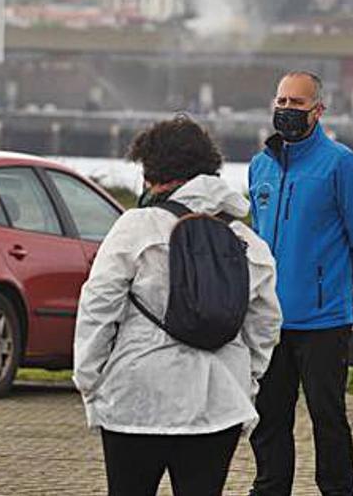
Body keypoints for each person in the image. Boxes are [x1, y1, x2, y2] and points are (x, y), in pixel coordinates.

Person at [73, 116, 282, 496]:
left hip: (135, 402)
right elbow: (265, 323)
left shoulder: (135, 227)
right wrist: (244, 383)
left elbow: (98, 306)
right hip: (217, 405)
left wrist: (90, 381)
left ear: (154, 173)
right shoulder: (246, 240)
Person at [247, 71, 353, 496]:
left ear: (318, 110)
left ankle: (338, 489)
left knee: (328, 417)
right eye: (281, 101)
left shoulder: (342, 165)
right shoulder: (260, 165)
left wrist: (336, 283)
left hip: (323, 319)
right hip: (270, 319)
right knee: (268, 417)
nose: (286, 110)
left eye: (297, 103)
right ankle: (270, 488)